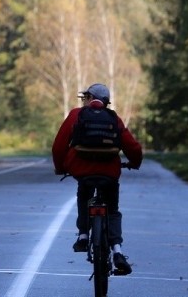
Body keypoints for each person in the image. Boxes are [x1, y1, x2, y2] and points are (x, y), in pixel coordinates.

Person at [52, 83, 143, 275]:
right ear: (106, 102)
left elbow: (59, 146)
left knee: (84, 195)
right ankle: (117, 250)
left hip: (83, 171)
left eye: (85, 96)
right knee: (113, 209)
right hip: (109, 173)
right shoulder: (113, 118)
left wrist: (60, 168)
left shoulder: (76, 115)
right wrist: (134, 163)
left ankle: (84, 234)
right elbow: (133, 147)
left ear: (89, 98)